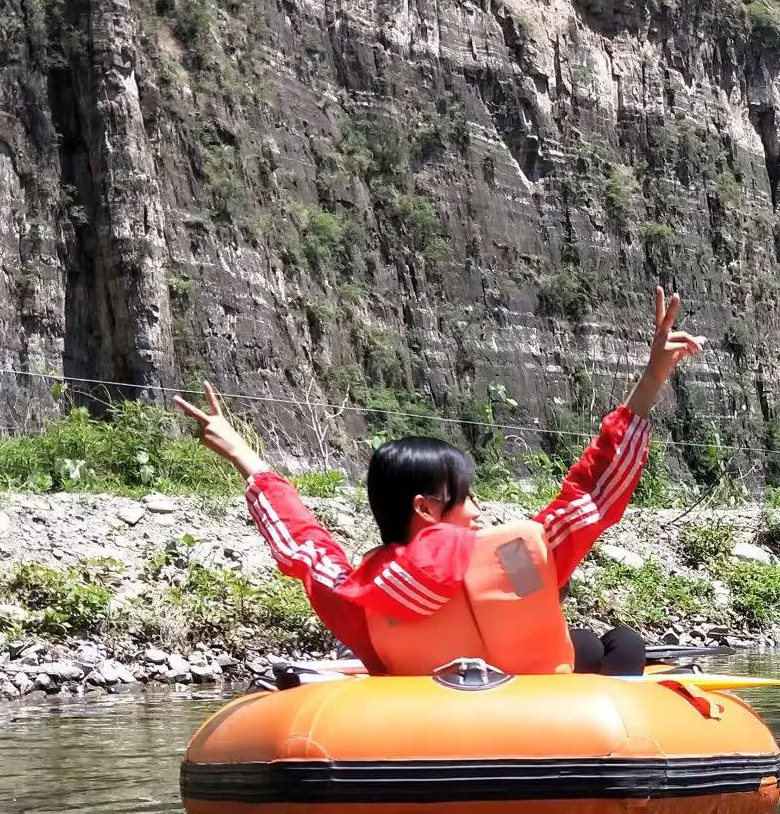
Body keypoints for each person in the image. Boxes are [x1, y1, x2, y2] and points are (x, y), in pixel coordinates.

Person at [174, 287, 705, 675]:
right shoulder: (516, 558)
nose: (479, 511)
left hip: (417, 714)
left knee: (586, 637)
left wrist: (244, 455)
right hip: (539, 710)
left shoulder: (359, 594)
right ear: (426, 509)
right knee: (622, 644)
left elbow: (303, 545)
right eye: (467, 497)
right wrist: (651, 380)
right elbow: (592, 494)